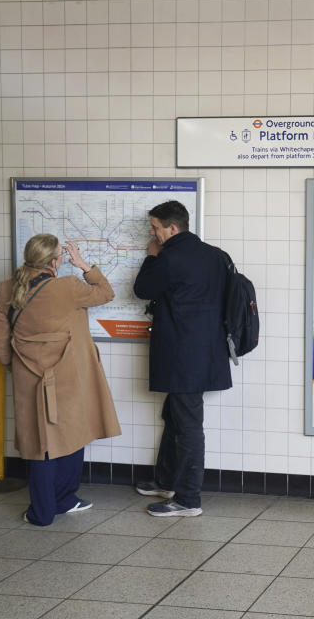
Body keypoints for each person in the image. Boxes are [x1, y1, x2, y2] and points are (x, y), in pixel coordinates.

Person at [0, 234, 120, 526]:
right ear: (55, 260)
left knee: (40, 443)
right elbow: (105, 292)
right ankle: (62, 501)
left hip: (27, 377)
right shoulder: (68, 287)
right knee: (72, 436)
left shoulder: (6, 288)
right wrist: (84, 265)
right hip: (67, 375)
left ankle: (41, 511)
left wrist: (17, 366)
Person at [133, 200, 231, 517]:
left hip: (182, 357)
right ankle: (166, 481)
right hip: (206, 353)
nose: (152, 233)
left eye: (155, 227)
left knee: (188, 426)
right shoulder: (216, 256)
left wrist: (150, 257)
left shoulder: (170, 257)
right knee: (175, 418)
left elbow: (142, 288)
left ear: (172, 228)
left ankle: (188, 499)